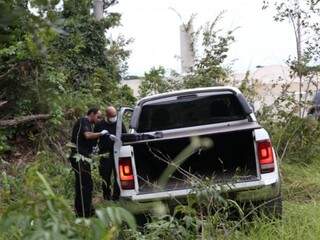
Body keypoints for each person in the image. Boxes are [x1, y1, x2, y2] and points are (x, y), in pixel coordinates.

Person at [69, 107, 108, 218]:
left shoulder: (89, 125)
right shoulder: (83, 121)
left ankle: (82, 210)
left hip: (83, 157)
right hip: (79, 157)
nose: (99, 119)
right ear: (91, 114)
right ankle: (85, 212)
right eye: (98, 116)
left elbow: (87, 140)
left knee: (82, 184)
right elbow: (87, 135)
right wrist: (100, 133)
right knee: (85, 185)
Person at [95, 106, 126, 200]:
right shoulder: (100, 125)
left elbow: (125, 136)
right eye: (112, 116)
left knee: (119, 175)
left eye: (115, 115)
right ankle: (106, 195)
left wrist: (118, 139)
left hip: (118, 152)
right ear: (107, 115)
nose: (114, 117)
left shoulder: (119, 124)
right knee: (105, 175)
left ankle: (116, 197)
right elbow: (94, 138)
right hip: (105, 154)